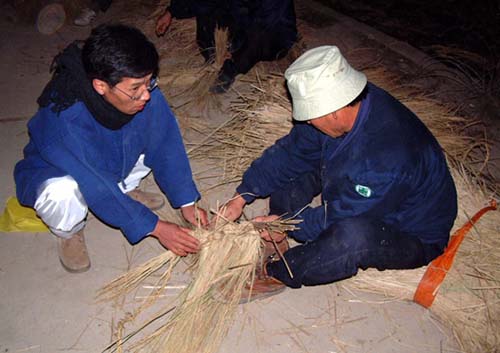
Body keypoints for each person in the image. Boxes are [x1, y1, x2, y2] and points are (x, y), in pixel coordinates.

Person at [220, 46, 458, 298]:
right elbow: (291, 153)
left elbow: (339, 217)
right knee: (289, 178)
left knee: (349, 239)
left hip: (410, 230)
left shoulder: (387, 160)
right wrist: (241, 195)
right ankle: (276, 236)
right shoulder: (344, 104)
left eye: (311, 116)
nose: (307, 122)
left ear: (333, 110)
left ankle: (278, 271)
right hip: (359, 181)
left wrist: (289, 226)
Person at [14, 24, 208, 273]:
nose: (146, 95)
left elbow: (166, 143)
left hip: (108, 158)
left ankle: (124, 191)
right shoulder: (63, 120)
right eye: (136, 88)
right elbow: (95, 184)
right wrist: (155, 227)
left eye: (149, 82)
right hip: (62, 171)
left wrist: (186, 201)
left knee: (151, 139)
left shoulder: (142, 94)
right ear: (100, 86)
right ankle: (68, 230)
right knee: (63, 192)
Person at [155, 0, 297, 93]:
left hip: (274, 34)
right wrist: (171, 12)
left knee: (258, 37)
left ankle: (231, 68)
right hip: (242, 21)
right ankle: (212, 56)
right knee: (207, 12)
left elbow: (265, 23)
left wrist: (236, 50)